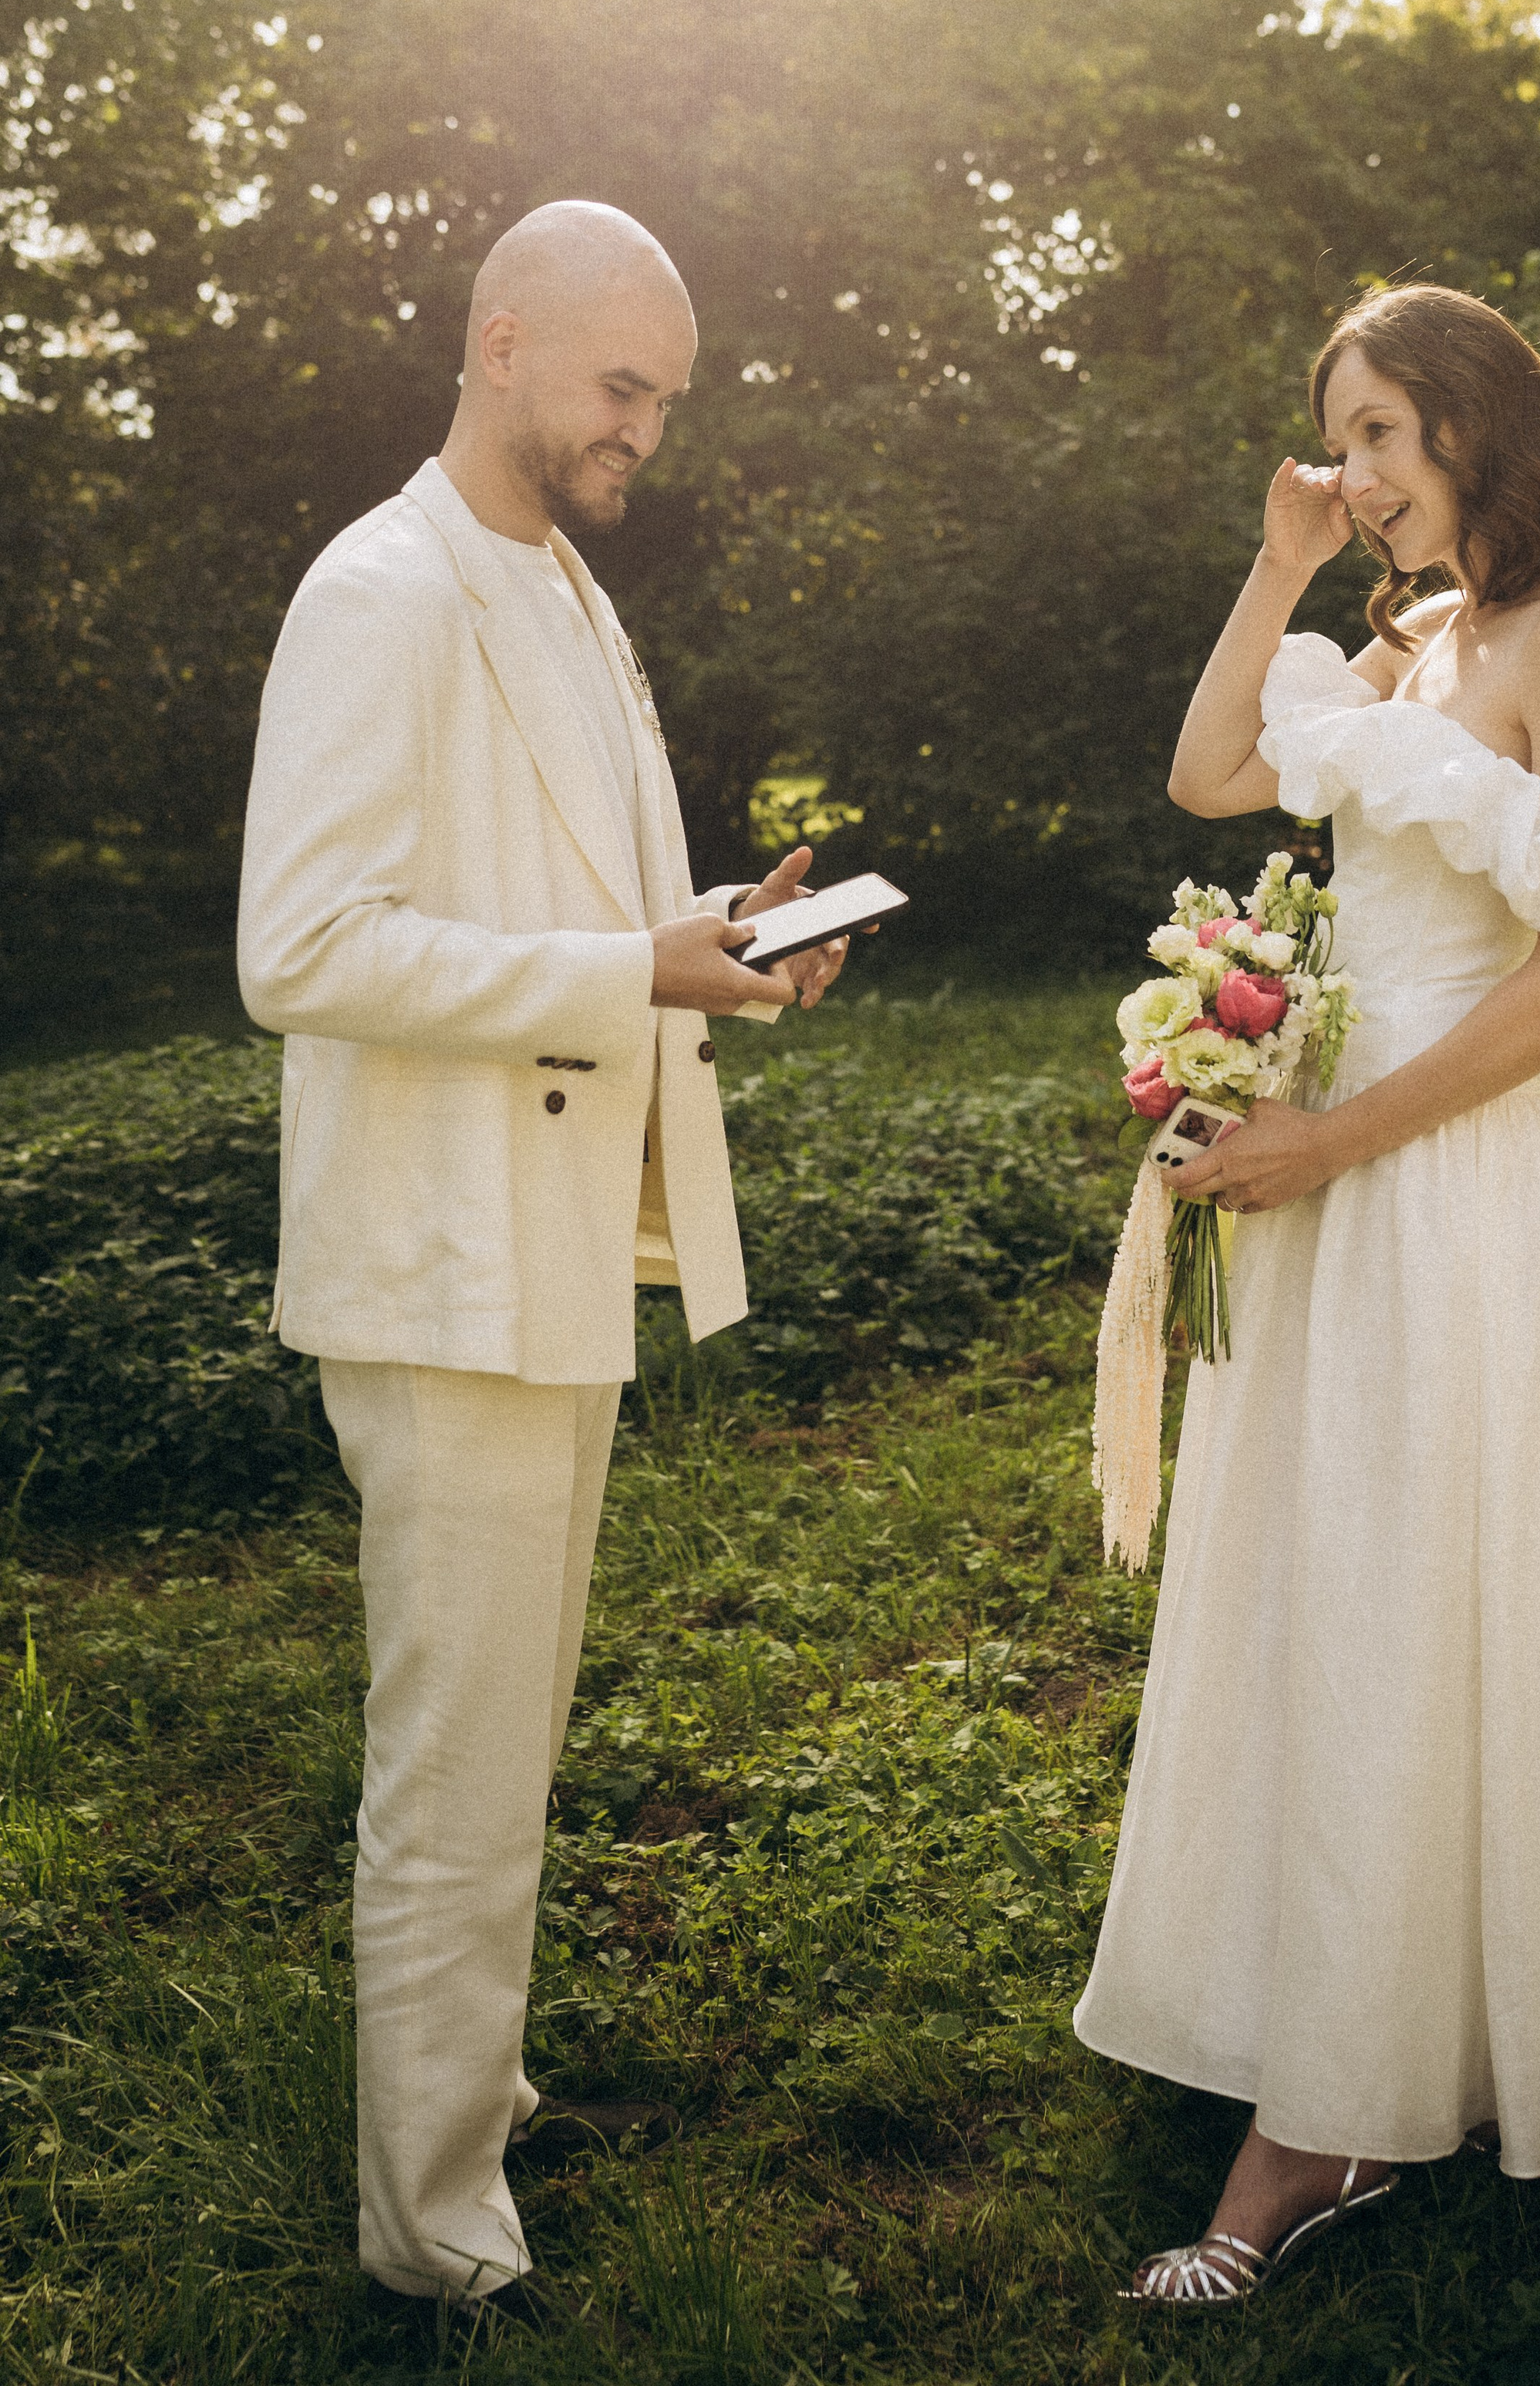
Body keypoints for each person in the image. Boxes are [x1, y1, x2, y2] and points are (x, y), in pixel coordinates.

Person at [1073, 282, 1540, 2306]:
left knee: (1421, 1597)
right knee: (1320, 1592)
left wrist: (1334, 1139)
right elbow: (1207, 774)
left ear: (1470, 420)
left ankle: (1335, 2120)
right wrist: (1277, 568)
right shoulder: (1408, 636)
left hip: (1448, 1183)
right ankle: (1326, 2001)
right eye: (1334, 440)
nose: (1352, 474)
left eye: (1376, 435)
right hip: (1328, 1175)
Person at [237, 200, 846, 2311]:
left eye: (664, 398)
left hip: (555, 1253)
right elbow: (299, 948)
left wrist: (722, 940)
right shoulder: (380, 590)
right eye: (619, 386)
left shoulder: (573, 591)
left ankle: (472, 2110)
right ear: (501, 342)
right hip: (445, 1268)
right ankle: (433, 2239)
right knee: (455, 1767)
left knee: (511, 1742)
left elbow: (592, 901)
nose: (643, 431)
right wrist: (624, 968)